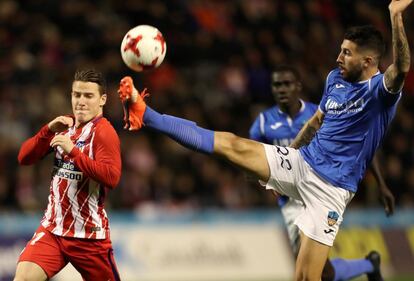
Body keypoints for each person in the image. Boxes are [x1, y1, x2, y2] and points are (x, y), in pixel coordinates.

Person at [118, 1, 411, 280]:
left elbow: (401, 69)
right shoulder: (335, 78)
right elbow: (315, 122)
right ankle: (147, 114)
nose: (338, 58)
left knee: (310, 277)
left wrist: (395, 16)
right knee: (231, 145)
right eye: (340, 50)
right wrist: (286, 156)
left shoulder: (380, 92)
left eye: (347, 53)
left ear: (369, 60)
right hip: (301, 163)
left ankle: (367, 265)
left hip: (331, 189)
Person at [249, 65, 395, 281]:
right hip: (290, 204)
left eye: (287, 83)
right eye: (277, 84)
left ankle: (368, 264)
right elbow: (253, 161)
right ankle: (368, 264)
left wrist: (381, 184)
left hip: (319, 192)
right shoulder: (263, 122)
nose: (282, 89)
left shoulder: (317, 113)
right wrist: (265, 177)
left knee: (310, 273)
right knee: (320, 272)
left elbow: (358, 148)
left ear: (298, 86)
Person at [15, 69, 122, 281]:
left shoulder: (103, 132)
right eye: (76, 94)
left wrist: (73, 152)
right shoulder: (65, 127)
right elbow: (24, 157)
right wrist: (47, 130)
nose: (81, 101)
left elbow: (111, 177)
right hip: (53, 229)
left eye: (88, 96)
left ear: (102, 100)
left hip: (88, 236)